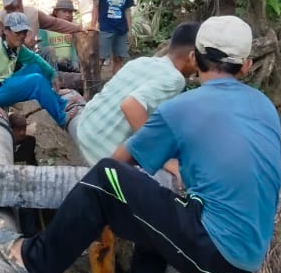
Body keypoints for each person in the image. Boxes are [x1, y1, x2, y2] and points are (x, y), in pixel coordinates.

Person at [0, 16, 281, 273]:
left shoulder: (182, 107)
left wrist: (106, 189)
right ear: (245, 66)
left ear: (196, 59)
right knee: (158, 213)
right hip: (248, 254)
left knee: (103, 175)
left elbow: (121, 161)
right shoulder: (264, 107)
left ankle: (32, 259)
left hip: (214, 250)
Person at [68, 22, 199, 169]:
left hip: (85, 129)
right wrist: (163, 158)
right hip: (101, 154)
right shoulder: (175, 79)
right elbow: (131, 105)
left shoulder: (141, 62)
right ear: (192, 56)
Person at [0, 11, 75, 128]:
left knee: (36, 67)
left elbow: (34, 58)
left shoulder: (15, 46)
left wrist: (52, 73)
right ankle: (61, 118)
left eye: (24, 32)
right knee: (36, 81)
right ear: (6, 31)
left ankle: (61, 104)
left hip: (3, 82)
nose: (21, 36)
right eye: (17, 32)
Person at [0, 0, 83, 51]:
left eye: (17, 6)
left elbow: (54, 23)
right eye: (11, 8)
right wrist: (20, 43)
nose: (16, 10)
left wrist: (78, 28)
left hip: (31, 55)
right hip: (10, 58)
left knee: (49, 52)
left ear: (21, 0)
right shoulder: (1, 17)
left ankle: (53, 76)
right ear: (5, 7)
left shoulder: (32, 13)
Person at [90, 0, 135, 74]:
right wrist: (93, 25)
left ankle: (114, 82)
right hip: (106, 27)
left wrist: (130, 30)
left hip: (121, 29)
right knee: (101, 57)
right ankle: (94, 83)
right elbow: (96, 6)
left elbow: (127, 10)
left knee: (119, 57)